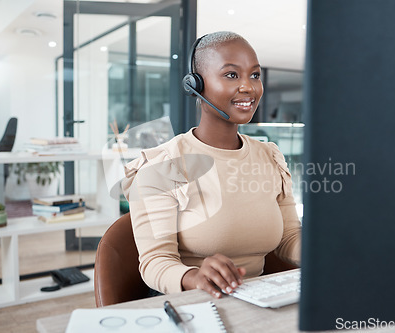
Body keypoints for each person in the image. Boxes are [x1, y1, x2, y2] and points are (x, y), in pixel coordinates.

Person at [122, 31, 301, 298]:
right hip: (193, 304)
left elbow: (289, 238)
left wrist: (328, 246)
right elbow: (155, 262)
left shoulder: (270, 156)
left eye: (255, 75)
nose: (249, 87)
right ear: (195, 84)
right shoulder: (162, 164)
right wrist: (194, 277)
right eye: (231, 75)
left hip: (261, 302)